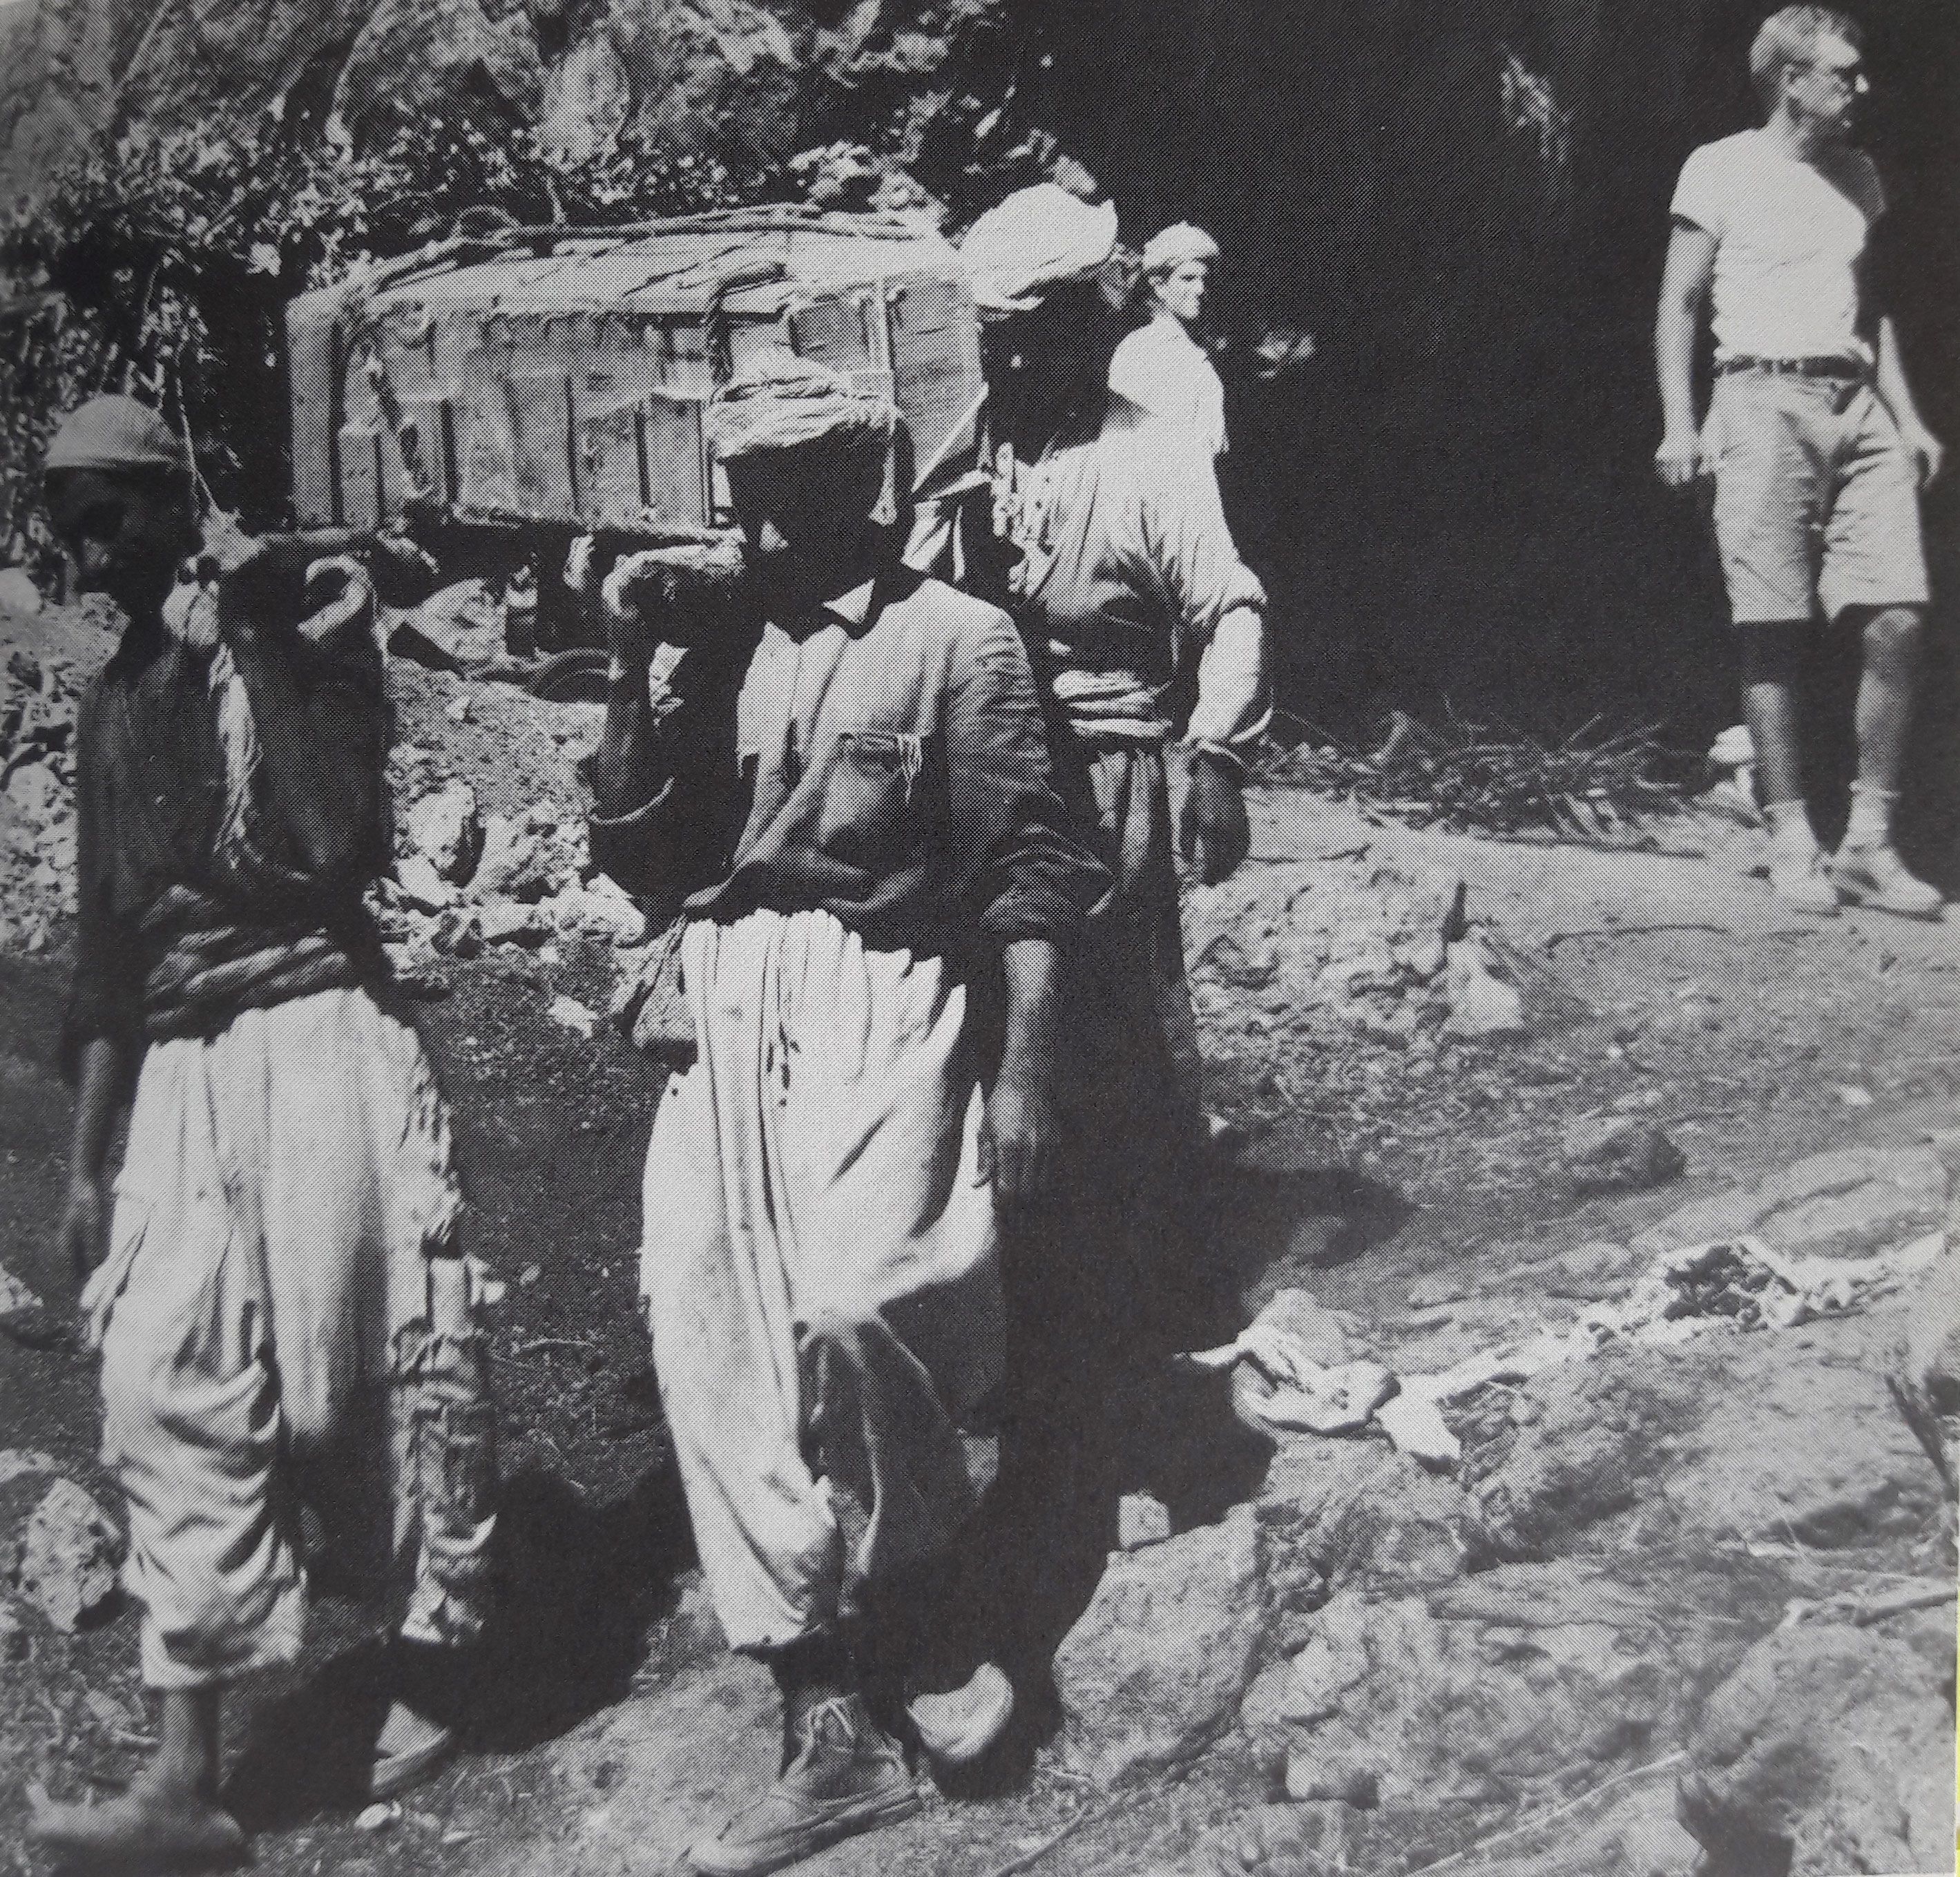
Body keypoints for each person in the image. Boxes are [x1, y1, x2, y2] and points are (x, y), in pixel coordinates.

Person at [584, 352, 1108, 1877]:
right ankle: (821, 1708)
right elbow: (635, 850)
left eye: (789, 506)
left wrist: (1026, 1070)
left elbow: (1031, 874)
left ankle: (924, 1595)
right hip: (730, 985)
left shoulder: (961, 642)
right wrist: (627, 665)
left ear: (862, 495)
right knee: (708, 1318)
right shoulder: (722, 638)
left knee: (865, 1295)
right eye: (744, 507)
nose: (758, 537)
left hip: (891, 984)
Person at [29, 396, 497, 1871]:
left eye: (110, 515)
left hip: (317, 1037)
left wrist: (251, 623)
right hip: (176, 1068)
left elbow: (339, 832)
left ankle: (437, 1660)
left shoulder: (303, 621)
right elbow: (108, 952)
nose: (89, 551)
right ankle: (187, 1778)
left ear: (173, 498)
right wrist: (92, 1164)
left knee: (358, 1365)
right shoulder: (113, 703)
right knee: (161, 1379)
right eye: (67, 526)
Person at [957, 184, 1269, 1150]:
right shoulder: (964, 440)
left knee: (1114, 997)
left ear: (1089, 320)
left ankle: (1148, 1242)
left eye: (1039, 332)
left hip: (1102, 766)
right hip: (979, 759)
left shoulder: (1152, 454)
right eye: (998, 335)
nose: (1015, 358)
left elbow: (1231, 607)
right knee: (981, 1003)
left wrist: (1216, 757)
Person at [1655, 5, 1945, 917]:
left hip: (1854, 407)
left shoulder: (1860, 176)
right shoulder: (1719, 167)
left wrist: (1906, 418)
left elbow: (1875, 315)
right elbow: (1680, 304)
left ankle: (1866, 843)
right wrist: (1679, 421)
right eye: (1842, 73)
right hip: (1757, 401)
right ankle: (1789, 835)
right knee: (1771, 623)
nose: (1858, 89)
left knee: (1895, 616)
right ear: (1791, 79)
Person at [1106, 222, 1229, 459]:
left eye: (1203, 279)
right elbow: (1122, 445)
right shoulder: (1141, 349)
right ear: (1159, 285)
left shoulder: (1195, 349)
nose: (1200, 288)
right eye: (1188, 278)